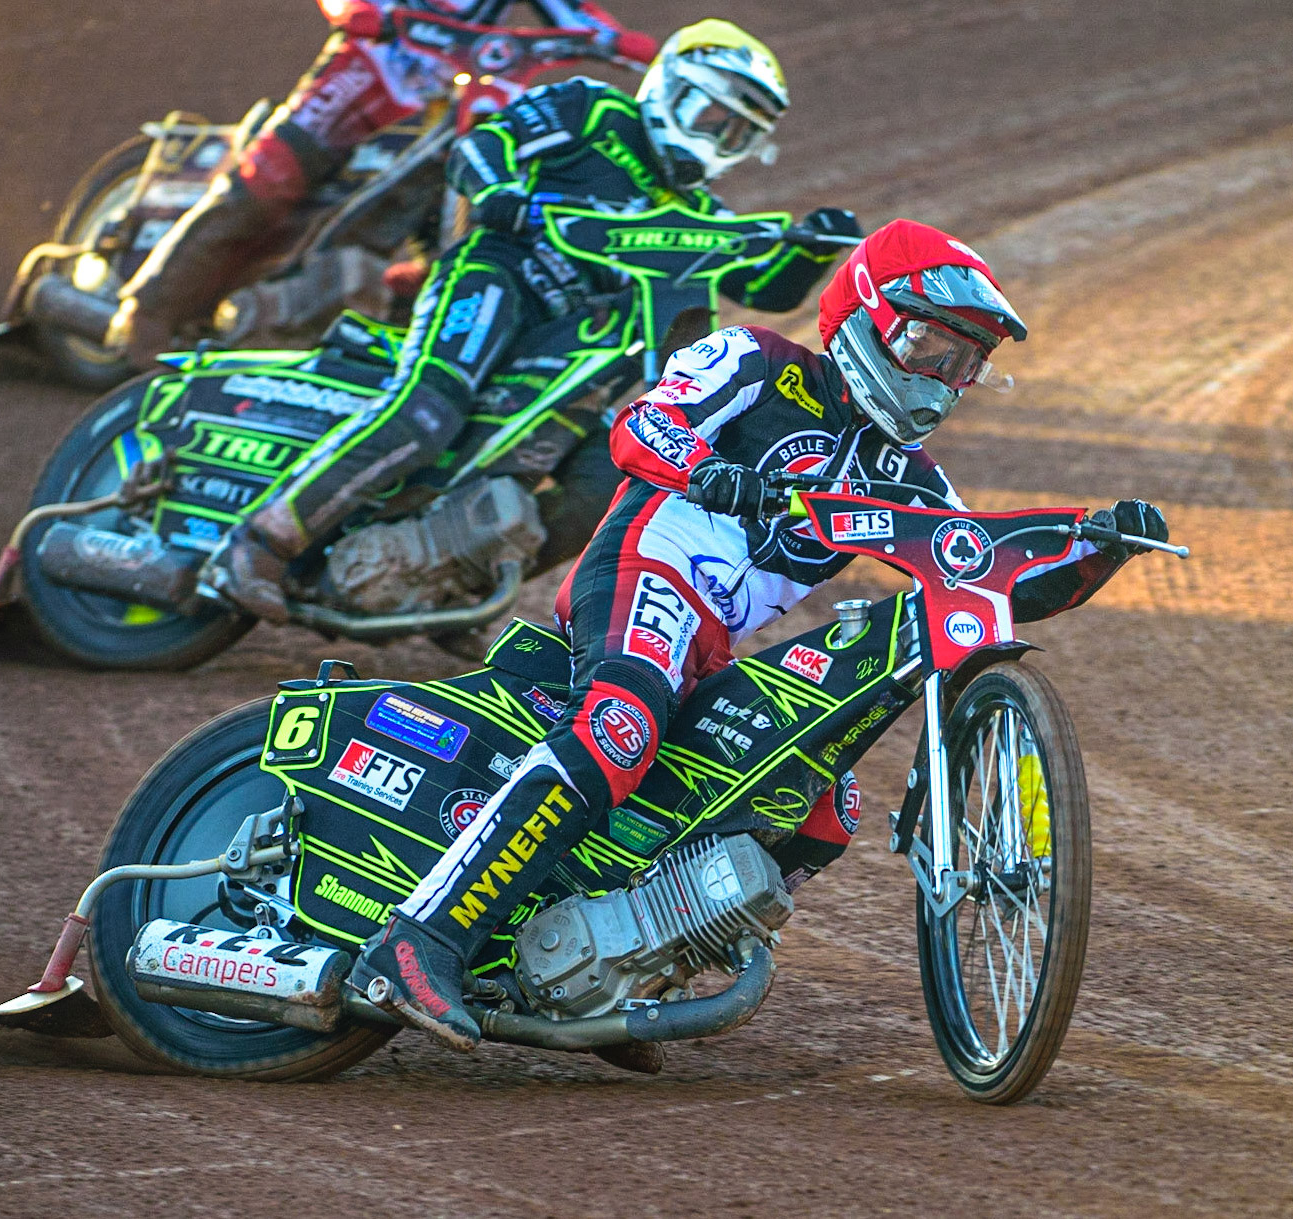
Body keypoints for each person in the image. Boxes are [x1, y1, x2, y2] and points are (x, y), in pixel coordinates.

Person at [344, 217, 1171, 1051]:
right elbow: (641, 426)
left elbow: (984, 576)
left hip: (711, 643)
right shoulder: (758, 361)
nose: (942, 381)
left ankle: (621, 971)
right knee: (618, 725)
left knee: (819, 805)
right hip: (645, 570)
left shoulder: (911, 477)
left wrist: (1099, 550)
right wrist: (706, 469)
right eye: (929, 347)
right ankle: (421, 939)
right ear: (863, 317)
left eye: (965, 364)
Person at [197, 19, 862, 623]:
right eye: (712, 114)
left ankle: (455, 587)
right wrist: (499, 194)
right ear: (670, 88)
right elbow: (485, 145)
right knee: (428, 411)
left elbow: (762, 286)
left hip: (566, 347)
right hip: (498, 275)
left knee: (608, 478)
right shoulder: (593, 109)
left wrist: (809, 252)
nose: (719, 139)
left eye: (739, 132)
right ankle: (258, 542)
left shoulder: (700, 219)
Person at [106, 0, 658, 368]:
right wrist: (363, 10)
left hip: (452, 95)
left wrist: (634, 46)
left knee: (467, 194)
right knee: (270, 182)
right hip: (372, 66)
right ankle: (147, 312)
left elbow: (578, 17)